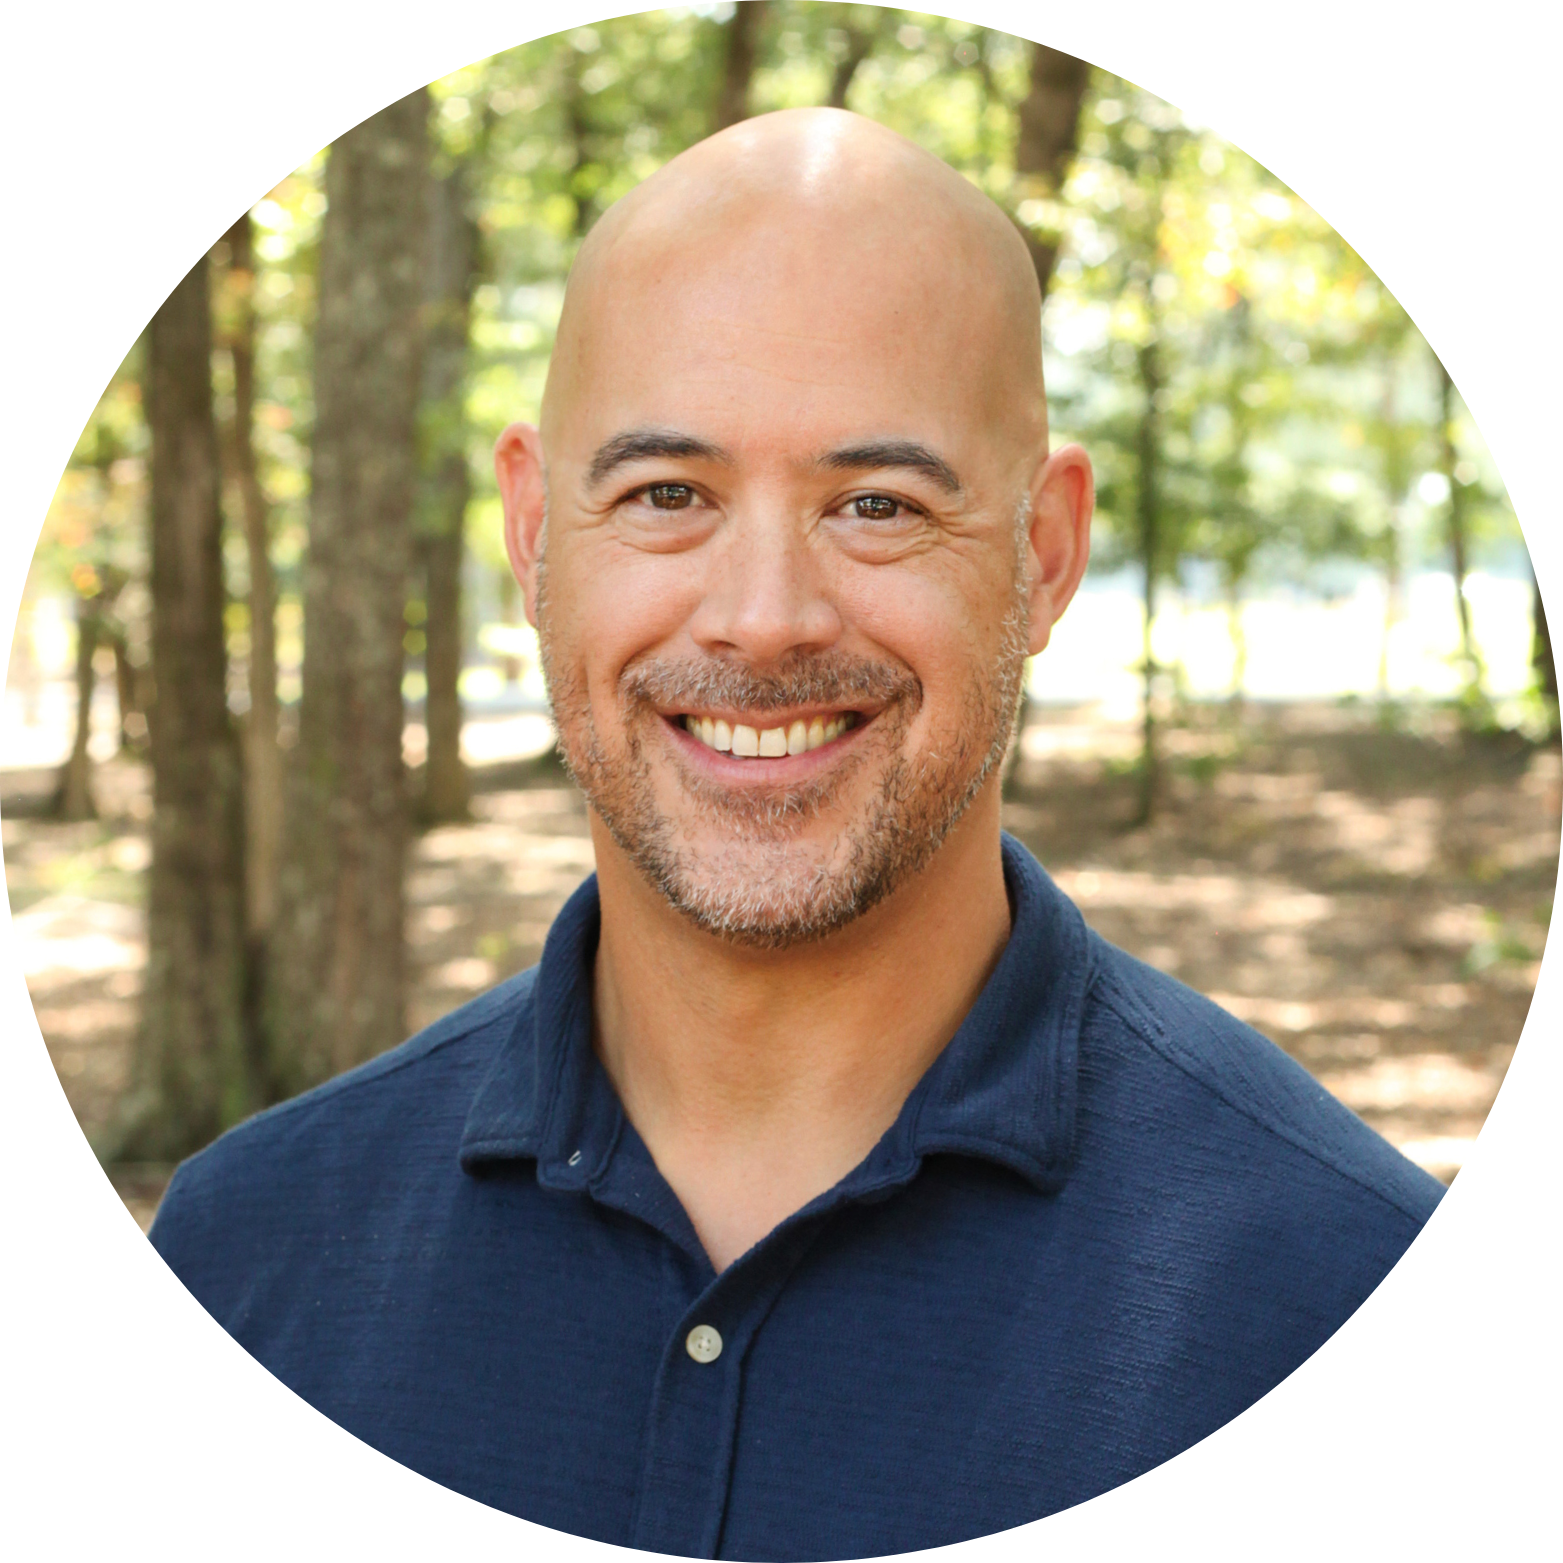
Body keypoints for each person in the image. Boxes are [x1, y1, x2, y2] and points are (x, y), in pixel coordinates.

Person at [150, 108, 1443, 1556]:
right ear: (532, 537)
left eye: (876, 503)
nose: (763, 618)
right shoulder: (247, 1256)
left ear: (1044, 552)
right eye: (667, 495)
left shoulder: (1328, 1277)